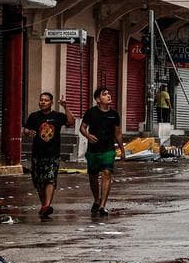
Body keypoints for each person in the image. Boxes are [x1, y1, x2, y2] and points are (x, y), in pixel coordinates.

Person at [22, 92, 75, 219]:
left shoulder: (57, 116)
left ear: (51, 103)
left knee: (50, 179)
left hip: (53, 154)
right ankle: (44, 205)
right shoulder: (34, 116)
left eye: (46, 100)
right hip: (37, 154)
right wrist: (28, 132)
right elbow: (25, 130)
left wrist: (65, 107)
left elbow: (71, 121)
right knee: (39, 182)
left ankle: (46, 205)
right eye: (41, 100)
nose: (43, 102)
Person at [80, 86, 124, 216]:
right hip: (93, 150)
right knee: (93, 176)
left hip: (108, 150)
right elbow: (82, 127)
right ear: (98, 99)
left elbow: (118, 133)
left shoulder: (114, 114)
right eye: (105, 94)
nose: (108, 96)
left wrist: (122, 149)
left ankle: (103, 205)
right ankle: (96, 200)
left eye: (109, 94)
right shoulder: (91, 112)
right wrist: (88, 135)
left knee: (106, 173)